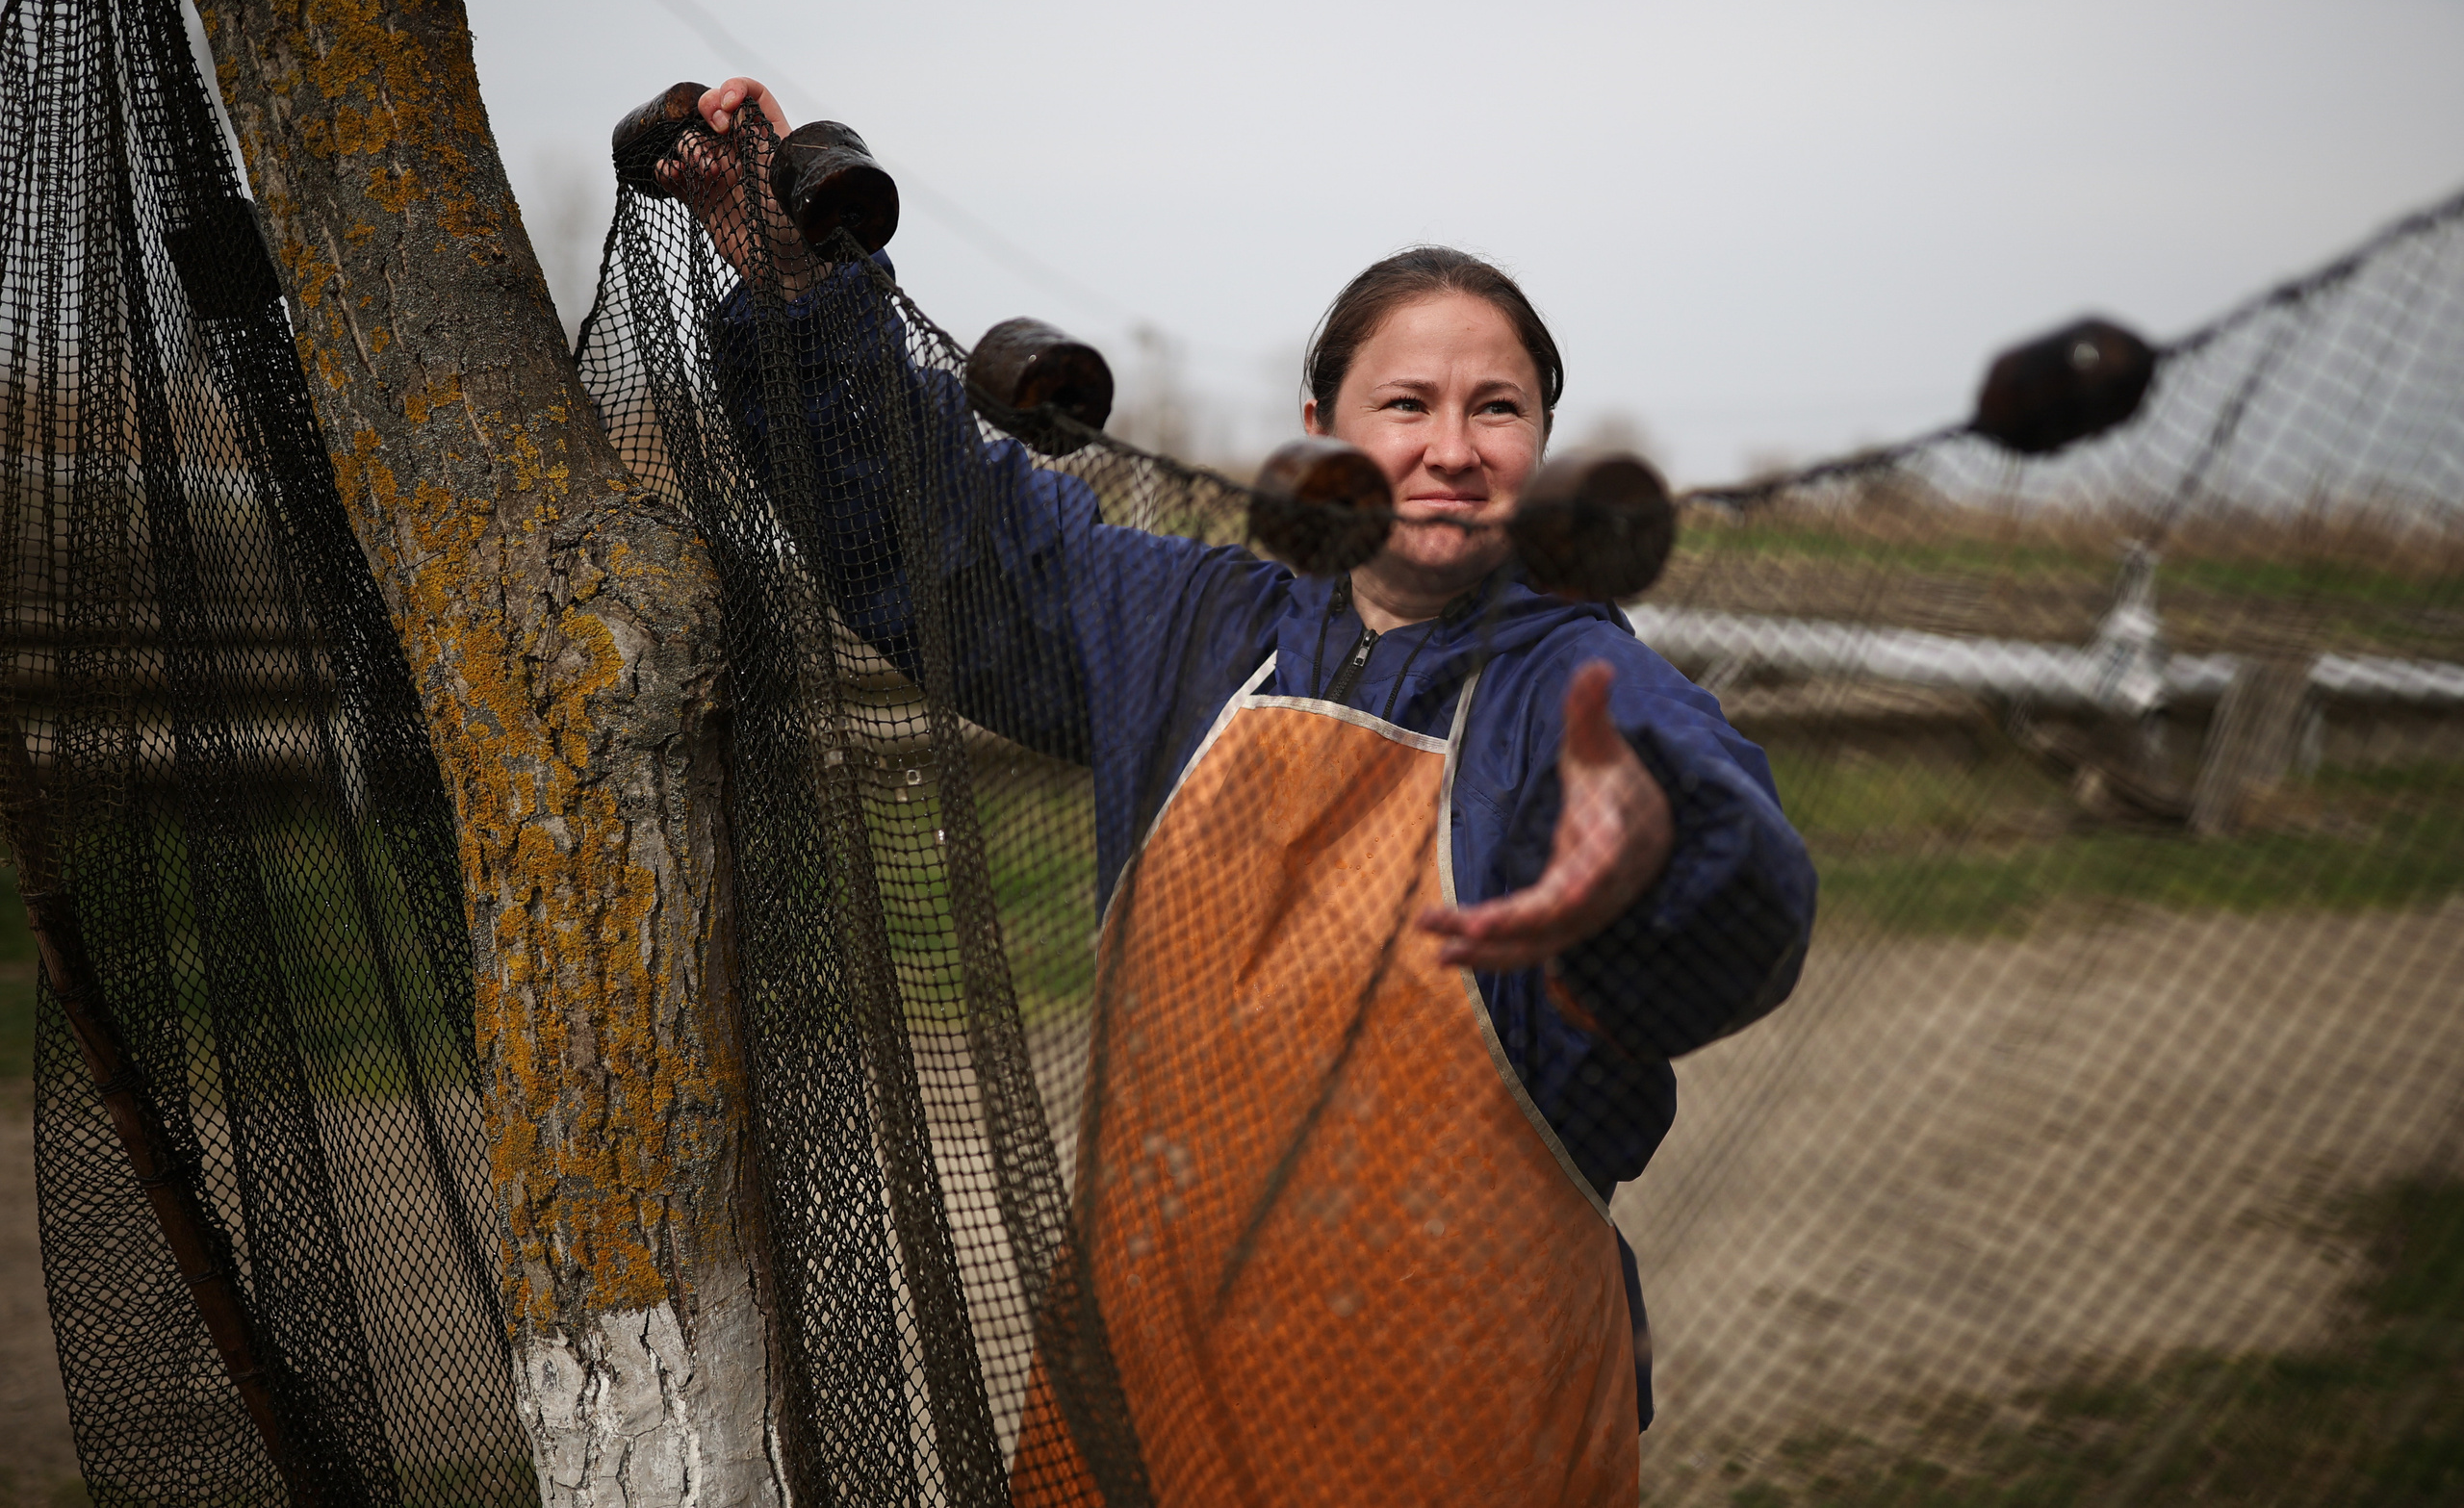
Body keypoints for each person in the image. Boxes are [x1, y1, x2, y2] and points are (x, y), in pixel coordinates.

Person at [668, 78, 1816, 1505]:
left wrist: (1660, 851)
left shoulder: (1576, 685)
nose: (1452, 446)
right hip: (1137, 1411)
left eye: (1497, 409)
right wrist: (799, 291)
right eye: (1408, 402)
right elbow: (941, 538)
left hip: (1461, 1434)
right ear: (1321, 419)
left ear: (1543, 449)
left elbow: (1744, 893)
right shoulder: (1191, 633)